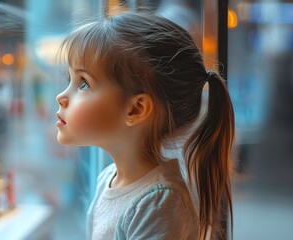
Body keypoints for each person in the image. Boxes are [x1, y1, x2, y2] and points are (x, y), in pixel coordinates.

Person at [55, 11, 234, 240]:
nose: (61, 96)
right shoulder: (108, 178)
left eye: (83, 84)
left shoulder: (159, 203)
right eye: (70, 80)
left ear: (136, 109)